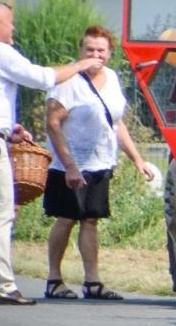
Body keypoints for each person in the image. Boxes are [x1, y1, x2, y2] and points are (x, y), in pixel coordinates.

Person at [0, 1, 103, 305]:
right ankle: (3, 285)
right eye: (10, 23)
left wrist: (7, 128)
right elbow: (42, 78)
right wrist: (79, 65)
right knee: (0, 212)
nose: (13, 29)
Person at [41, 25, 159, 301]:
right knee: (67, 218)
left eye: (101, 50)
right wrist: (70, 165)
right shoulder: (68, 81)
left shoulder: (113, 78)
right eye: (90, 49)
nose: (95, 54)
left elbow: (115, 123)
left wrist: (137, 159)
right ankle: (54, 279)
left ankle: (92, 281)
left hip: (100, 162)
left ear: (109, 53)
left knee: (91, 220)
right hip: (69, 163)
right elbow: (53, 123)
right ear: (81, 51)